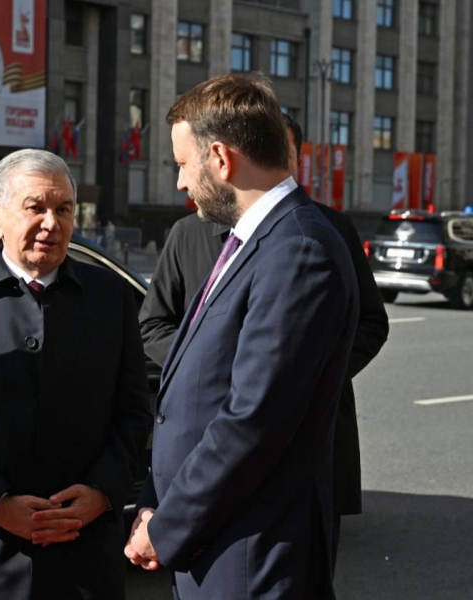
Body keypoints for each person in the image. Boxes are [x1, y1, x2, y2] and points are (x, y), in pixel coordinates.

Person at [124, 73, 359, 599]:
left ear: (220, 159)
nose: (180, 184)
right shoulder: (255, 241)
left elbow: (254, 419)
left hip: (253, 552)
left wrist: (166, 524)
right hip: (219, 536)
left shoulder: (298, 250)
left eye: (183, 165)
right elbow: (197, 389)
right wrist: (156, 497)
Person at [0, 148, 153, 599]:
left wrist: (101, 492)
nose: (51, 222)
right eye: (36, 207)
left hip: (83, 554)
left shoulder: (111, 297)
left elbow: (135, 410)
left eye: (63, 209)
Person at [282, 113, 389, 573]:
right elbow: (160, 325)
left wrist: (320, 375)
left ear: (296, 157)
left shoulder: (331, 228)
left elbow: (371, 322)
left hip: (318, 438)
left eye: (280, 147)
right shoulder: (199, 234)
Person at [139, 214, 229, 367]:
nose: (181, 188)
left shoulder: (279, 235)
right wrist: (203, 361)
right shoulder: (188, 233)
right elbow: (152, 326)